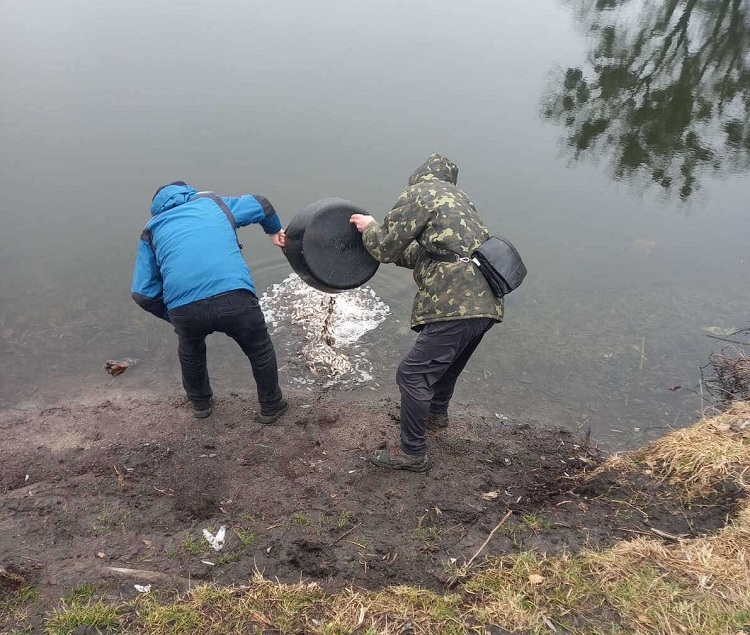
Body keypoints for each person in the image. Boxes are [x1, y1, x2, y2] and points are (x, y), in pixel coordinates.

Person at [350, 154, 503, 472]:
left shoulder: (419, 194)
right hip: (487, 300)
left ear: (419, 175)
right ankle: (435, 415)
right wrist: (383, 245)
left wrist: (368, 228)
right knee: (447, 365)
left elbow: (383, 247)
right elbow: (427, 253)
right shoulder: (459, 199)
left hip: (454, 302)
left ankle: (412, 453)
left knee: (412, 375)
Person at [131, 181, 289, 423]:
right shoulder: (212, 203)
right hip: (235, 295)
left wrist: (172, 315)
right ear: (188, 193)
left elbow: (143, 293)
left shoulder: (151, 230)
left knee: (190, 350)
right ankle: (271, 406)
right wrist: (273, 231)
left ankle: (201, 404)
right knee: (258, 348)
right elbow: (261, 204)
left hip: (185, 308)